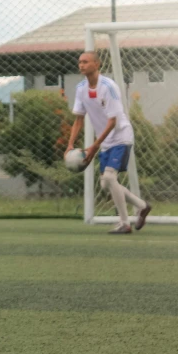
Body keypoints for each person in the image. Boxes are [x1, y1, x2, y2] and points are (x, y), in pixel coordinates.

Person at [65, 51, 152, 234]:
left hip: (120, 136)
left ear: (97, 64)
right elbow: (78, 119)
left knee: (110, 178)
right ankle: (142, 206)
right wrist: (70, 145)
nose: (81, 65)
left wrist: (94, 147)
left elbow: (113, 122)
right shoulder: (81, 88)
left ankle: (124, 223)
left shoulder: (109, 87)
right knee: (105, 184)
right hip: (105, 141)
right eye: (79, 62)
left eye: (86, 62)